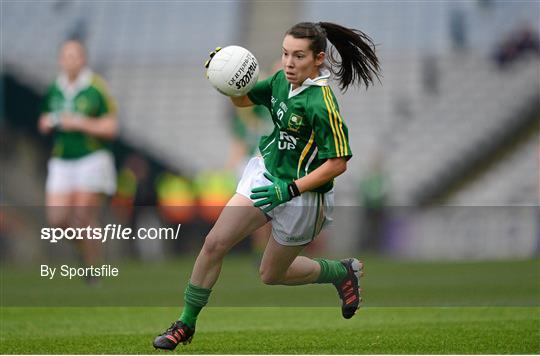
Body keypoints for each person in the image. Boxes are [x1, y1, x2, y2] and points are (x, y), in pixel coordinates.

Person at [153, 21, 381, 349]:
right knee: (215, 243)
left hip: (304, 197)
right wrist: (227, 77)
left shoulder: (322, 104)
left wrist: (289, 190)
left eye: (298, 56)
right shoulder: (279, 81)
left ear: (318, 59)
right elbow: (244, 101)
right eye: (285, 53)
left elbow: (338, 163)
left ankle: (340, 272)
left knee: (271, 274)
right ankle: (185, 323)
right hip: (265, 175)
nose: (288, 62)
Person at [38, 40, 118, 279]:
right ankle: (85, 249)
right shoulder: (55, 87)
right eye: (66, 56)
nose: (70, 60)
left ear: (83, 59)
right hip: (62, 159)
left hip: (92, 157)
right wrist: (47, 123)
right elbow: (44, 118)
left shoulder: (96, 87)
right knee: (57, 219)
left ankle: (94, 268)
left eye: (75, 56)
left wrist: (79, 123)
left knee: (84, 215)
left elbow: (111, 127)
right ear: (60, 60)